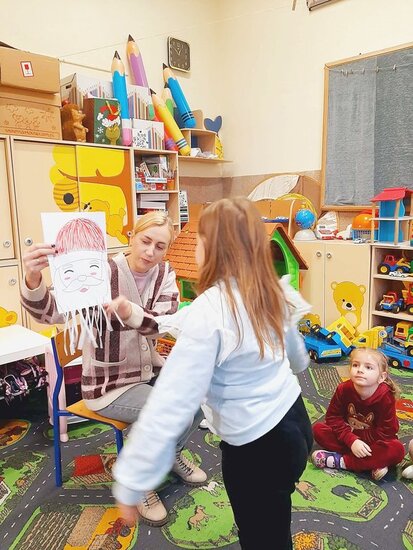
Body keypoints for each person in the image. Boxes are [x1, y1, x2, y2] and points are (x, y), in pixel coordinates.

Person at [106, 197, 313, 550]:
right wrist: (136, 315)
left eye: (199, 240)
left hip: (256, 448)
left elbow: (172, 402)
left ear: (213, 248)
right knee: (276, 518)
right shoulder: (268, 289)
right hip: (295, 424)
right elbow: (297, 358)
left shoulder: (211, 310)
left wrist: (131, 479)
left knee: (261, 535)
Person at [20, 211, 206, 526]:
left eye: (160, 246)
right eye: (145, 241)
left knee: (200, 397)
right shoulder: (100, 271)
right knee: (165, 411)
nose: (150, 251)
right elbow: (51, 313)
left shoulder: (164, 273)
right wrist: (33, 278)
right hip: (109, 385)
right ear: (131, 236)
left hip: (149, 374)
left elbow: (161, 324)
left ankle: (170, 454)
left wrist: (130, 311)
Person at [312, 347, 405, 481]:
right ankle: (373, 462)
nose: (360, 370)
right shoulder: (343, 389)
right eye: (356, 365)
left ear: (381, 377)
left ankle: (342, 461)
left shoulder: (386, 396)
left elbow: (387, 432)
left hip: (374, 441)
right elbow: (333, 418)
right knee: (318, 430)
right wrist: (352, 441)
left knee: (397, 450)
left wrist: (359, 441)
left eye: (368, 367)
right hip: (349, 435)